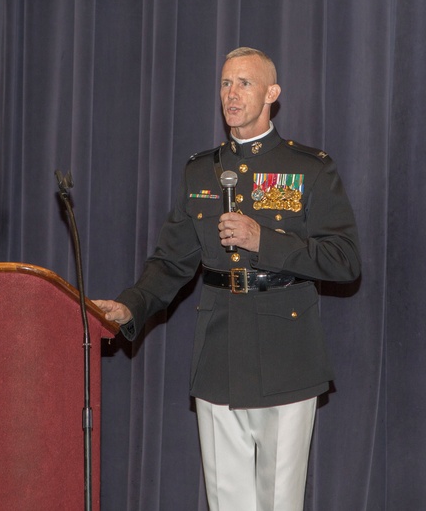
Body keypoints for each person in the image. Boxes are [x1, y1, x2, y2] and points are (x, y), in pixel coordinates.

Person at [94, 47, 361, 511]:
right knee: (227, 502)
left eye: (245, 83)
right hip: (218, 351)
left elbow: (344, 260)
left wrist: (265, 241)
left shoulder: (309, 168)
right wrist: (131, 305)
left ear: (272, 94)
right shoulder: (202, 170)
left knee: (279, 501)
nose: (231, 94)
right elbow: (172, 262)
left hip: (286, 351)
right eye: (224, 83)